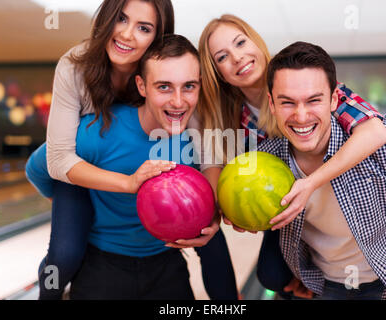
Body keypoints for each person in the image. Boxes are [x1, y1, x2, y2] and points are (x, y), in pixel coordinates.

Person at [28, 0, 237, 300]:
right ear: (142, 86)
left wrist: (212, 213)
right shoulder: (76, 70)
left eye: (144, 27)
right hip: (76, 165)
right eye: (121, 19)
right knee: (65, 255)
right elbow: (52, 160)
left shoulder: (171, 72)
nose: (127, 34)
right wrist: (108, 187)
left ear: (157, 37)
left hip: (160, 256)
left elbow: (209, 156)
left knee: (209, 234)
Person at [197, 14, 386, 298]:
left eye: (240, 42)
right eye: (223, 56)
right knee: (272, 276)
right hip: (294, 208)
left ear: (256, 43)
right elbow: (234, 179)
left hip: (349, 192)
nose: (237, 58)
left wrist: (309, 184)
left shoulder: (302, 79)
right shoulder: (235, 120)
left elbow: (376, 133)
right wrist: (236, 211)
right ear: (218, 73)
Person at [257, 41, 386, 300]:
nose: (301, 116)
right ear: (271, 104)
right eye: (287, 103)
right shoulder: (266, 160)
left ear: (335, 99)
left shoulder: (385, 139)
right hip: (325, 286)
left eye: (313, 100)